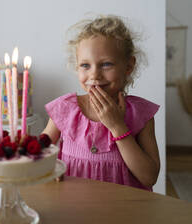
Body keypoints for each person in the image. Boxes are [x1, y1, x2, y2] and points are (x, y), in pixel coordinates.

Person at [43, 15, 160, 191]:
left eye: (106, 64)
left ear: (128, 66)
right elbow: (37, 153)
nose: (94, 75)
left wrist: (117, 126)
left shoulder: (140, 114)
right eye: (85, 65)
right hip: (73, 210)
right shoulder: (65, 109)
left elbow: (149, 177)